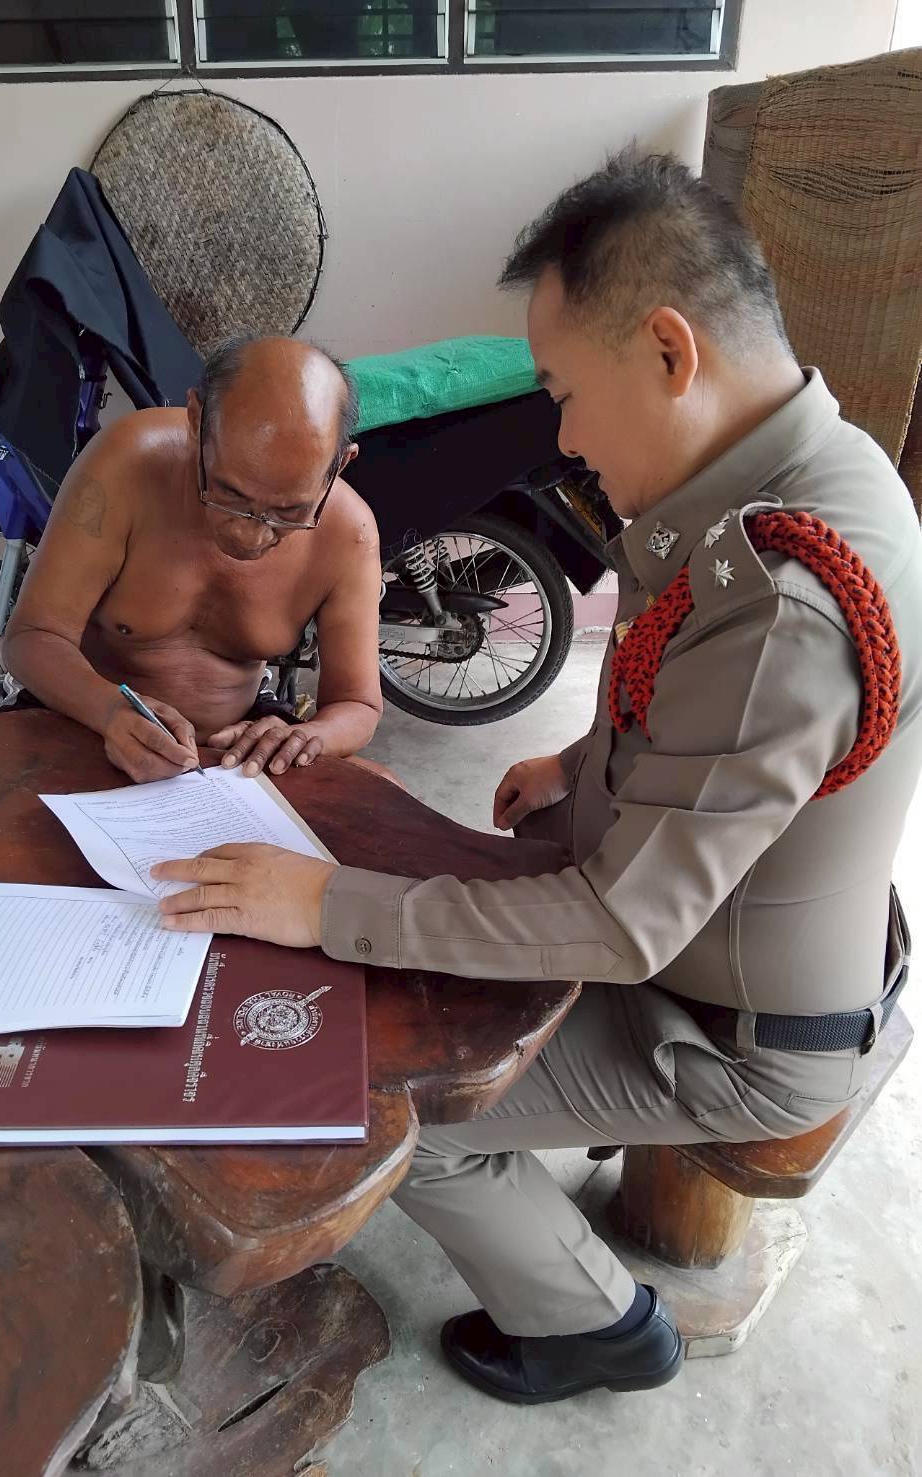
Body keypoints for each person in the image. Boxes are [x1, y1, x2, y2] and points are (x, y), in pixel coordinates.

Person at [148, 154, 922, 1403]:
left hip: (726, 1025)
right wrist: (580, 758)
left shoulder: (783, 595)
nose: (562, 434)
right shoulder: (813, 472)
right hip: (731, 934)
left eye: (563, 392)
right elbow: (731, 721)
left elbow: (621, 922)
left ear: (667, 352)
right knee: (408, 915)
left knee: (398, 1102)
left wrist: (318, 902)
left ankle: (598, 1325)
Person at [3, 336, 384, 783]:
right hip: (82, 718)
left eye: (289, 513)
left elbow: (357, 704)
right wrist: (109, 711)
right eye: (229, 494)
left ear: (340, 465)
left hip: (231, 756)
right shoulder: (128, 463)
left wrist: (307, 736)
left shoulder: (349, 532)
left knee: (381, 799)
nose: (250, 535)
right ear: (196, 421)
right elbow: (32, 636)